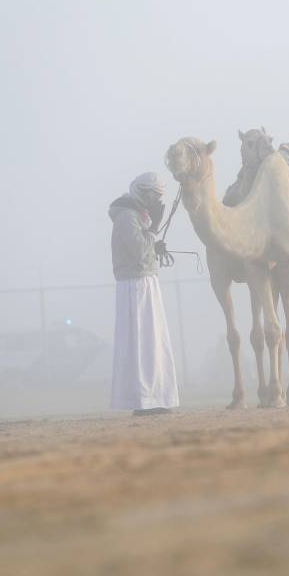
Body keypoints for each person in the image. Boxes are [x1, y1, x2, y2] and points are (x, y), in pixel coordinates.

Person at [109, 172, 180, 416]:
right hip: (134, 286)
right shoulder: (126, 217)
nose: (157, 201)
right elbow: (139, 250)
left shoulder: (139, 216)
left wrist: (154, 243)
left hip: (147, 283)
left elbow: (145, 248)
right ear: (142, 192)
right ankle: (142, 401)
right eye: (154, 195)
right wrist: (154, 230)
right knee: (140, 345)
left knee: (154, 344)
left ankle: (157, 397)